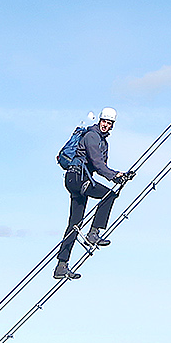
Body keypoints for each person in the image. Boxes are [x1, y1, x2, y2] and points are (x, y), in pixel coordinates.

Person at [54, 107, 133, 280]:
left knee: (75, 223)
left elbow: (101, 167)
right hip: (78, 177)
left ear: (112, 125)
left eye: (109, 123)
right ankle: (93, 233)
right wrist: (114, 176)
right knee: (109, 195)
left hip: (77, 179)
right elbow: (97, 163)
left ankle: (61, 265)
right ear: (100, 121)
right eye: (104, 121)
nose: (106, 125)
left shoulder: (103, 142)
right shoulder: (92, 136)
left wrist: (120, 175)